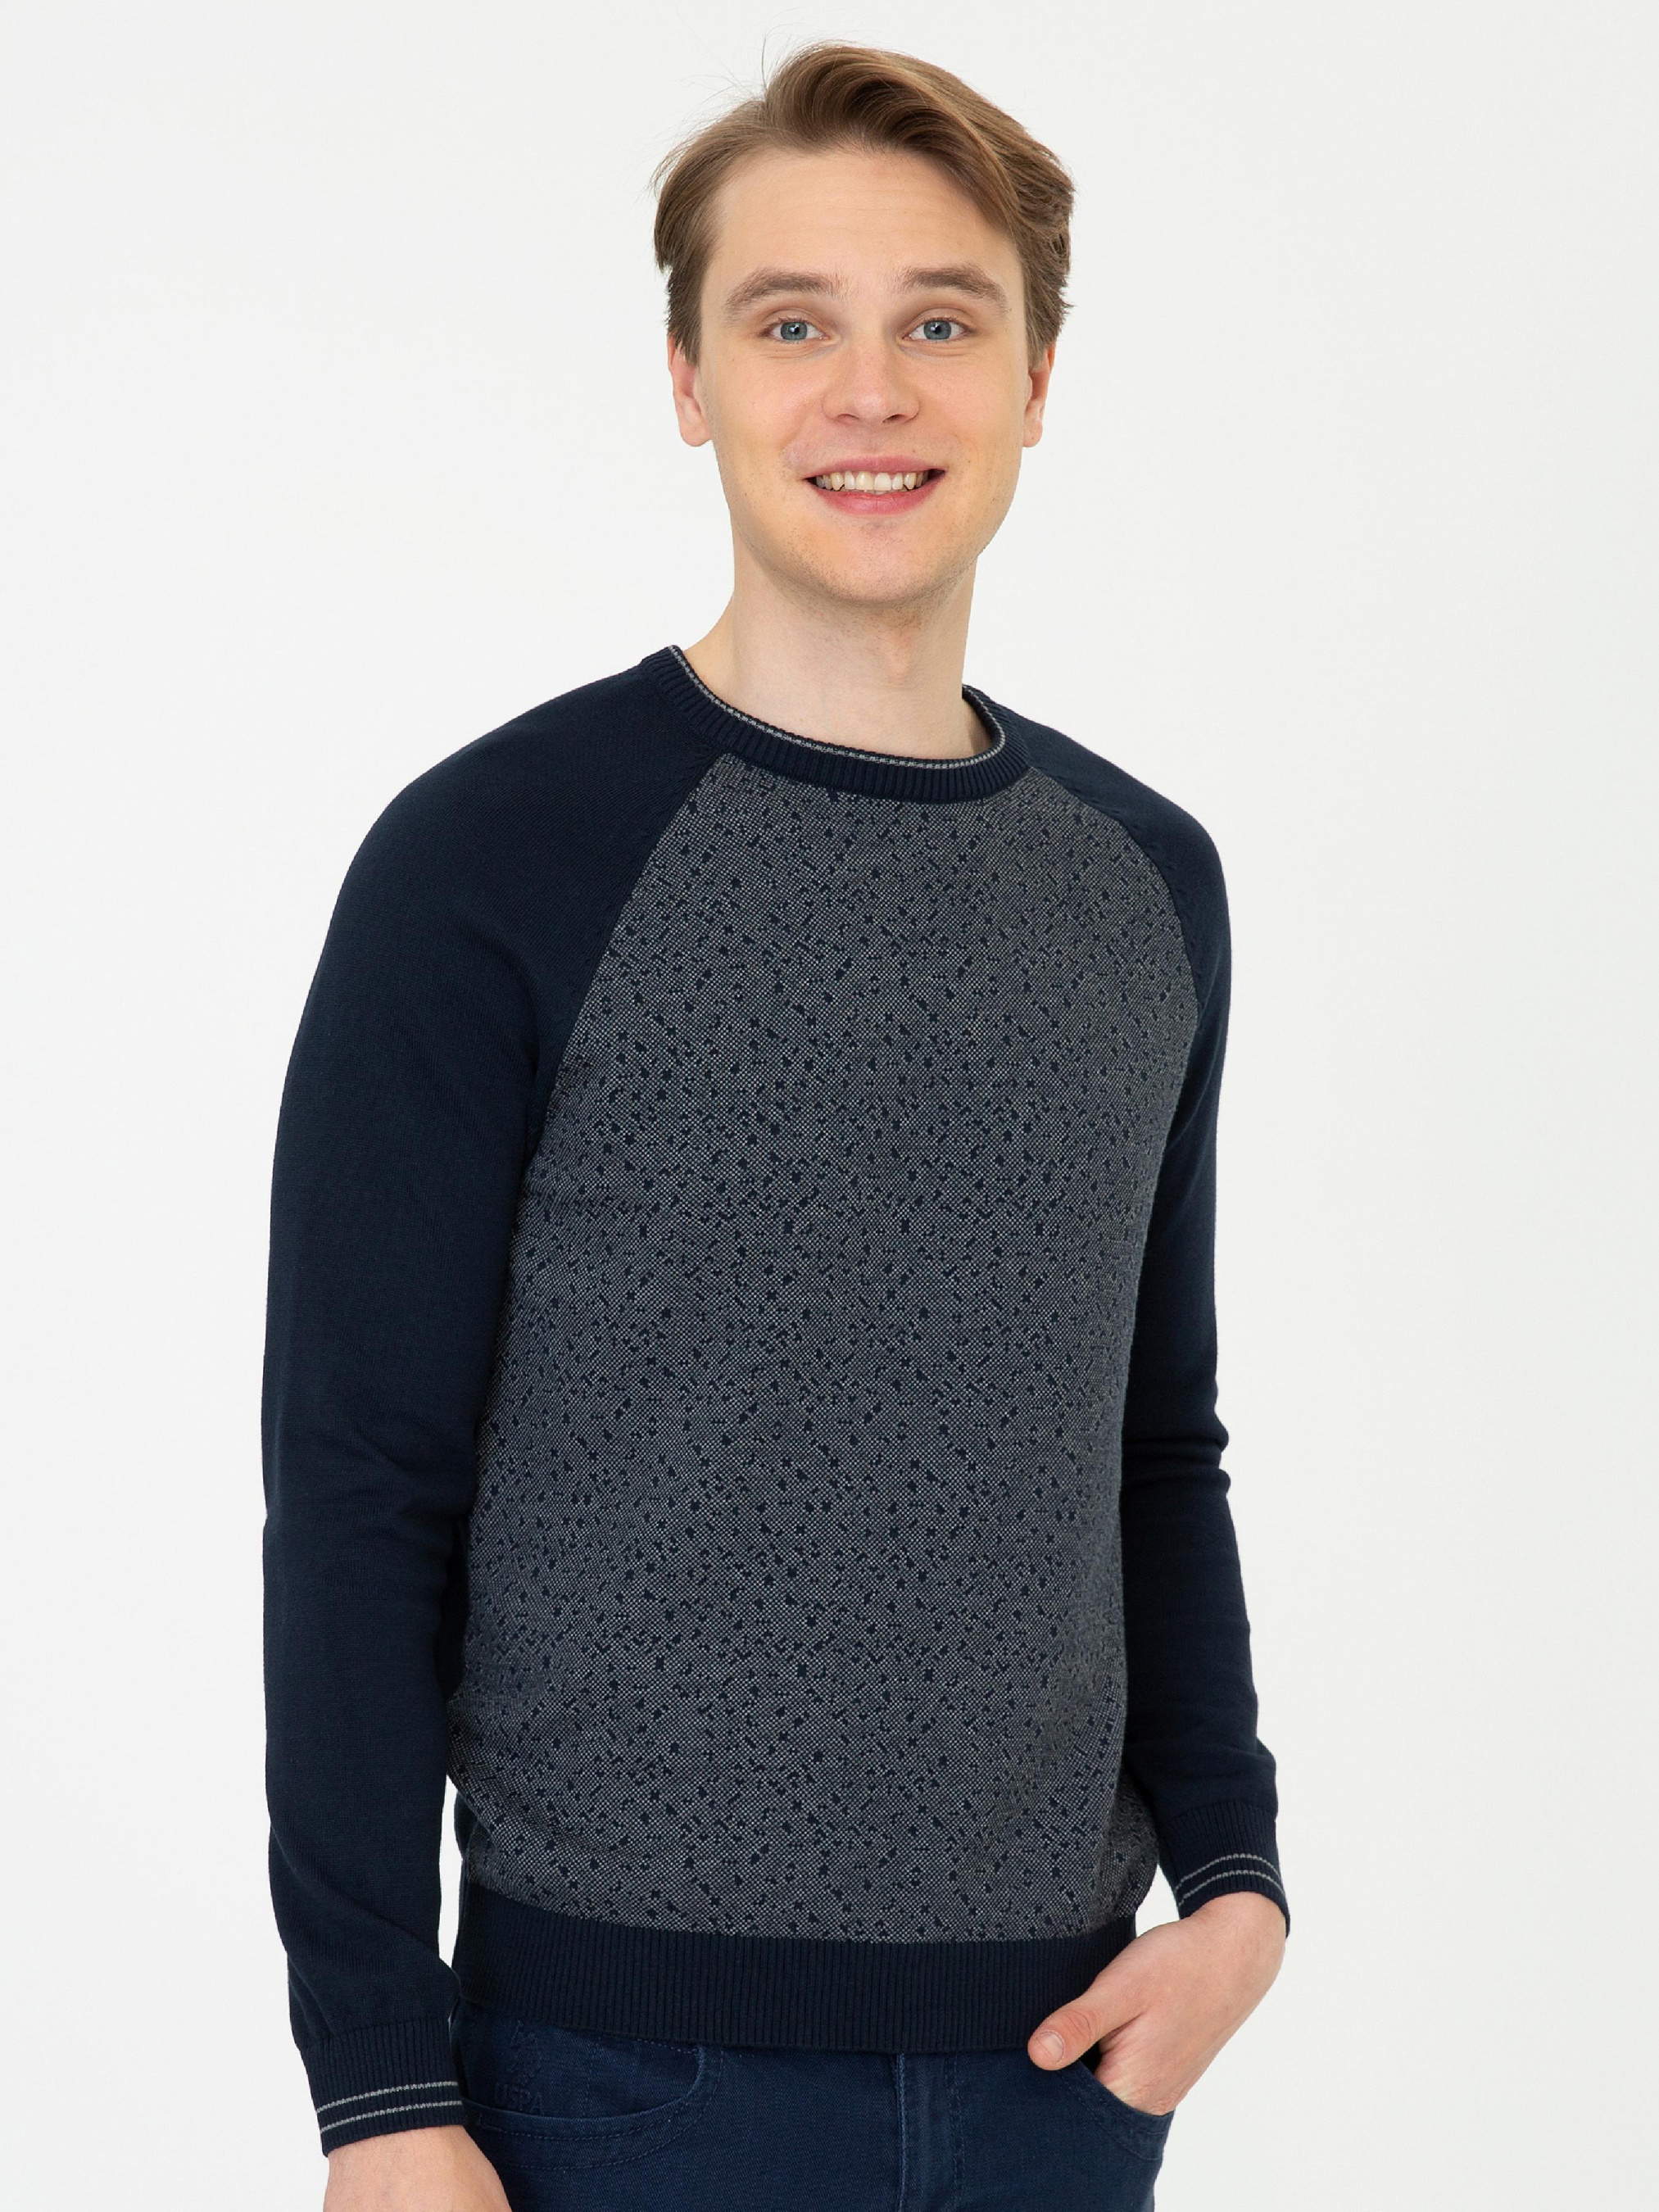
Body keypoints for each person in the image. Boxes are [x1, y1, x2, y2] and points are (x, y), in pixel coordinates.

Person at [262, 40, 1289, 2212]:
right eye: (791, 322)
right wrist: (378, 2089)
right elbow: (359, 1490)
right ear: (688, 380)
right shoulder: (492, 861)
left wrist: (1236, 1885)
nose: (871, 391)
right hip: (607, 2085)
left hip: (1060, 2072)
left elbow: (1147, 1439)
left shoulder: (1145, 881)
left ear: (1035, 382)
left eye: (943, 322)